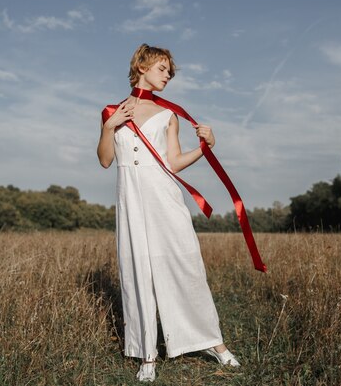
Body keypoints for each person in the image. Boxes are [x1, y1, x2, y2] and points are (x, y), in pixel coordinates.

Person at [97, 44, 240, 382]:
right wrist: (109, 127)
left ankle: (213, 342)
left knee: (185, 263)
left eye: (169, 72)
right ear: (142, 66)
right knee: (137, 271)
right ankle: (147, 354)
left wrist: (205, 148)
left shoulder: (169, 115)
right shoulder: (111, 111)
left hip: (164, 197)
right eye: (162, 69)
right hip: (131, 201)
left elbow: (173, 162)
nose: (168, 76)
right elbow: (105, 160)